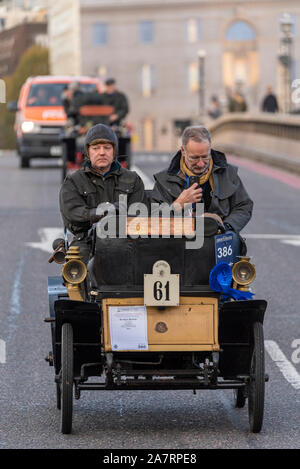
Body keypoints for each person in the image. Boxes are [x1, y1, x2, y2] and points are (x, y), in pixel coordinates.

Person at [151, 125, 253, 259]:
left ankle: (223, 279)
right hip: (180, 238)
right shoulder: (164, 180)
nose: (200, 164)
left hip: (218, 236)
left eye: (205, 157)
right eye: (194, 158)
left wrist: (225, 227)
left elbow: (244, 206)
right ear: (183, 151)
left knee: (231, 240)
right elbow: (153, 220)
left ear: (210, 150)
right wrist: (178, 204)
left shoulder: (228, 173)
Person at [59, 123, 148, 263]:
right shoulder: (74, 180)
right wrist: (101, 212)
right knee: (75, 270)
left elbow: (140, 213)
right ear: (88, 152)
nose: (102, 152)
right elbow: (72, 213)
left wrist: (118, 216)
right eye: (96, 148)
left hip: (127, 239)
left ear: (114, 151)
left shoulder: (132, 179)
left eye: (107, 148)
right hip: (86, 241)